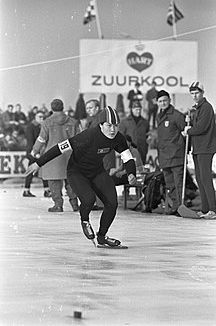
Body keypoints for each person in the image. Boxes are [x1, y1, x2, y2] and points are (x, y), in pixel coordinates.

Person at [25, 106, 137, 247]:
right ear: (101, 125)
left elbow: (127, 157)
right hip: (77, 172)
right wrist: (39, 163)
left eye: (115, 126)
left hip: (97, 171)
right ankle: (85, 220)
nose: (113, 130)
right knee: (88, 200)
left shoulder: (118, 137)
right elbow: (60, 148)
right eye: (109, 126)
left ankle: (102, 237)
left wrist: (131, 173)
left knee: (112, 203)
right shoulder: (88, 136)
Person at [31, 99, 79, 212]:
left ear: (51, 108)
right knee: (71, 181)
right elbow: (79, 139)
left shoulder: (47, 122)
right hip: (70, 156)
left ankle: (58, 205)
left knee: (54, 182)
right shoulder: (73, 122)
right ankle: (75, 204)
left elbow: (42, 139)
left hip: (53, 157)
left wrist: (35, 151)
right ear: (63, 107)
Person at [182, 82, 216, 219]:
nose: (194, 96)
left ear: (202, 93)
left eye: (197, 93)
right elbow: (196, 125)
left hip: (206, 147)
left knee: (205, 177)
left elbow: (202, 127)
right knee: (199, 178)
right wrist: (189, 121)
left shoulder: (206, 107)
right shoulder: (196, 108)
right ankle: (205, 209)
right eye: (192, 93)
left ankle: (213, 210)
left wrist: (189, 130)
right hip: (198, 147)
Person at [156, 90, 186, 215]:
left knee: (178, 183)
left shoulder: (177, 115)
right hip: (164, 156)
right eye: (160, 101)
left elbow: (185, 132)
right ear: (157, 103)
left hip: (176, 155)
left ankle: (180, 206)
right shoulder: (159, 116)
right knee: (170, 184)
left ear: (169, 100)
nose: (163, 103)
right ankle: (175, 206)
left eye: (165, 100)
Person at [23, 111, 51, 197]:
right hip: (33, 151)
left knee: (40, 169)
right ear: (35, 117)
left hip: (38, 151)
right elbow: (31, 141)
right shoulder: (31, 127)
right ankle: (27, 190)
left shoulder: (40, 126)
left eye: (43, 117)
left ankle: (45, 190)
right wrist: (35, 153)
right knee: (32, 170)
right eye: (40, 117)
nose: (42, 118)